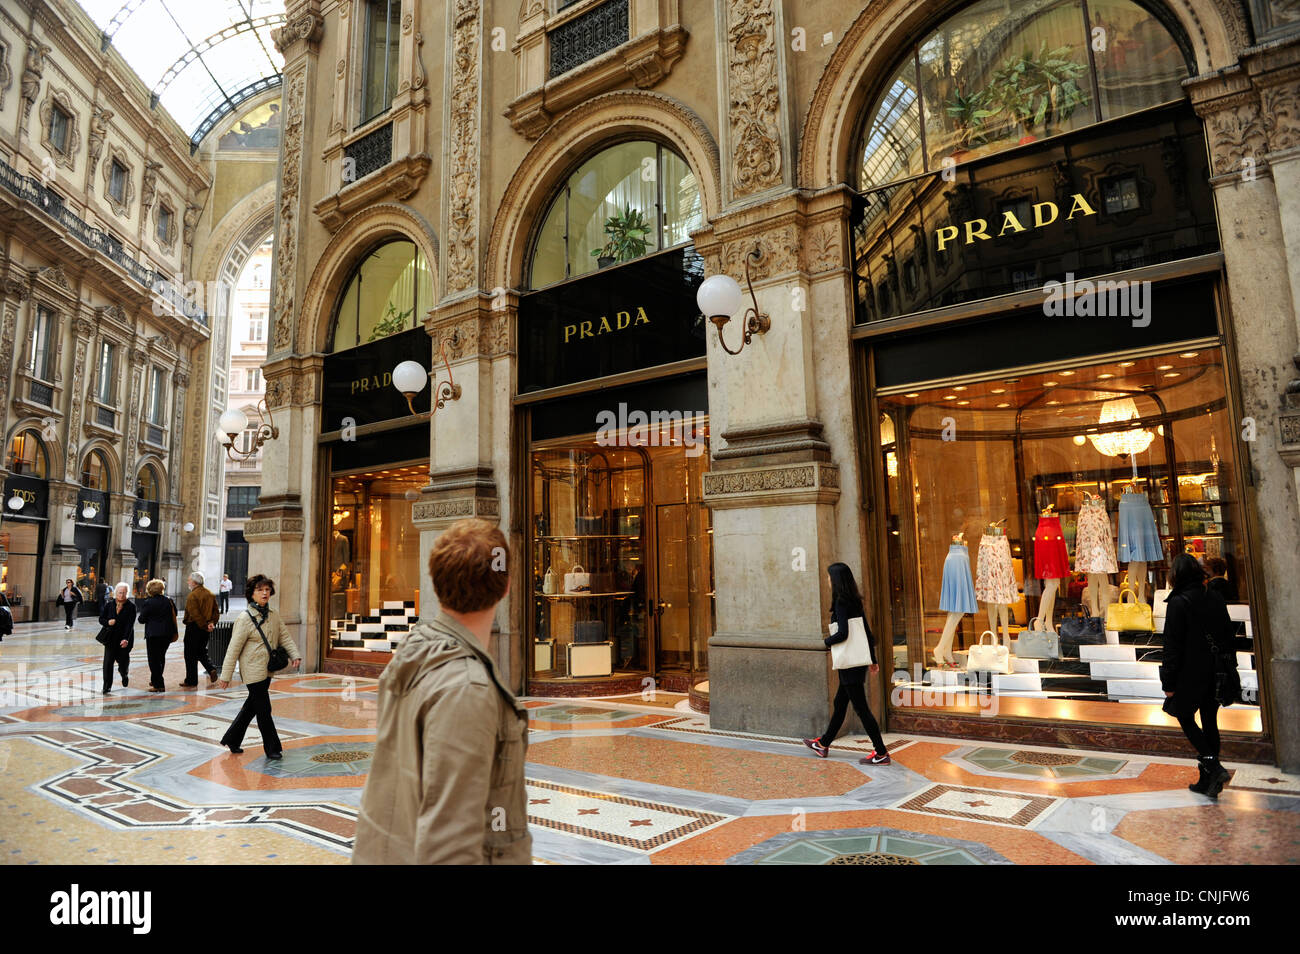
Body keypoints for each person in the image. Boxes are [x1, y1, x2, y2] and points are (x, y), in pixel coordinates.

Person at [353, 519, 531, 864]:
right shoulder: (465, 688)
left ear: (435, 585)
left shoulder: (414, 651)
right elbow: (449, 844)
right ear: (507, 586)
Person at [1160, 553, 1234, 798]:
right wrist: (1229, 666)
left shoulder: (1178, 602)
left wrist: (1168, 683)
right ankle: (1208, 781)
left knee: (1184, 716)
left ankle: (1213, 766)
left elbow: (1172, 646)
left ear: (1175, 576)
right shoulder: (1214, 596)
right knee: (1210, 721)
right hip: (1215, 671)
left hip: (1188, 674)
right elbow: (1227, 634)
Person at [803, 562, 890, 765]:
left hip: (850, 664)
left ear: (836, 580)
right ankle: (823, 744)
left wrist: (824, 642)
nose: (827, 580)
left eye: (828, 577)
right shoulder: (854, 602)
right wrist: (872, 660)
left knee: (861, 709)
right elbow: (867, 633)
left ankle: (881, 752)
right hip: (856, 662)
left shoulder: (842, 603)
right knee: (840, 703)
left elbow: (843, 633)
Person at [214, 575, 301, 760]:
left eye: (267, 590)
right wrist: (226, 675)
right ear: (251, 594)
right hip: (252, 670)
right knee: (263, 709)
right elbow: (233, 648)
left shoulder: (274, 614)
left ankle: (232, 739)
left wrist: (295, 654)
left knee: (251, 707)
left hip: (267, 669)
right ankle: (272, 748)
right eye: (260, 590)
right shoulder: (244, 619)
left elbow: (284, 636)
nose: (264, 593)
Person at [136, 579, 179, 692]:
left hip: (153, 634)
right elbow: (176, 613)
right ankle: (155, 679)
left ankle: (159, 685)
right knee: (161, 657)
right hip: (167, 634)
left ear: (149, 590)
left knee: (153, 660)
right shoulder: (169, 601)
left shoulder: (148, 602)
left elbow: (141, 619)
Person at [180, 572, 221, 689]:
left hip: (194, 627)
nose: (188, 582)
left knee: (190, 654)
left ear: (194, 582)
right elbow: (216, 612)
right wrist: (211, 623)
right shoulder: (210, 594)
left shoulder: (193, 595)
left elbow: (195, 614)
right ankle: (211, 668)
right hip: (206, 628)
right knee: (201, 651)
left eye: (189, 580)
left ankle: (191, 680)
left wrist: (204, 625)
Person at [98, 583, 136, 694]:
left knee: (123, 662)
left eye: (124, 593)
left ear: (127, 593)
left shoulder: (131, 606)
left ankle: (124, 674)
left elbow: (130, 625)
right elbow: (101, 619)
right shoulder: (109, 605)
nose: (121, 595)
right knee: (108, 664)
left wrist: (125, 639)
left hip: (124, 639)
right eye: (120, 592)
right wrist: (108, 622)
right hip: (110, 639)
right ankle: (106, 686)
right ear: (116, 593)